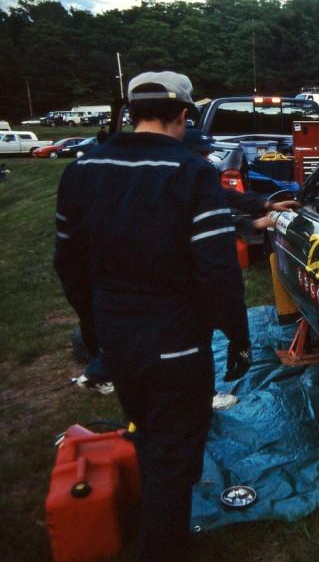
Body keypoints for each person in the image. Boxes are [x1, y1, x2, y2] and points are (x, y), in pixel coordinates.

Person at [54, 71, 252, 560]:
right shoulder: (191, 172)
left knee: (146, 430)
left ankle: (155, 522)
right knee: (173, 452)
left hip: (118, 340)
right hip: (177, 343)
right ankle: (164, 546)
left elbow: (68, 263)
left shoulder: (83, 168)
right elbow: (217, 269)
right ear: (183, 115)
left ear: (133, 113)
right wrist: (238, 336)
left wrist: (96, 328)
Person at [182, 128, 300, 229]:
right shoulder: (180, 186)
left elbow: (225, 195)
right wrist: (253, 224)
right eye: (203, 155)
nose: (207, 160)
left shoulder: (200, 180)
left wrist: (268, 205)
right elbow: (209, 222)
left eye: (207, 154)